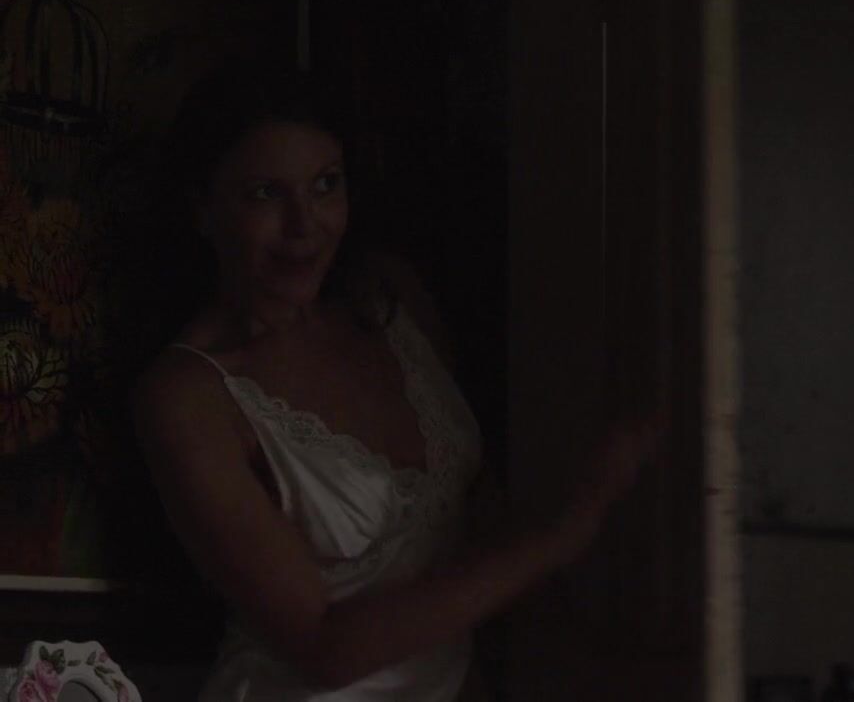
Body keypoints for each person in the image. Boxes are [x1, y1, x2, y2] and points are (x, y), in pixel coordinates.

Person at [131, 62, 659, 701]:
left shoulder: (388, 298)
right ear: (201, 209)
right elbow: (323, 648)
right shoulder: (186, 396)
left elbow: (480, 531)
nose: (304, 226)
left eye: (325, 185)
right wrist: (562, 532)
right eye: (266, 194)